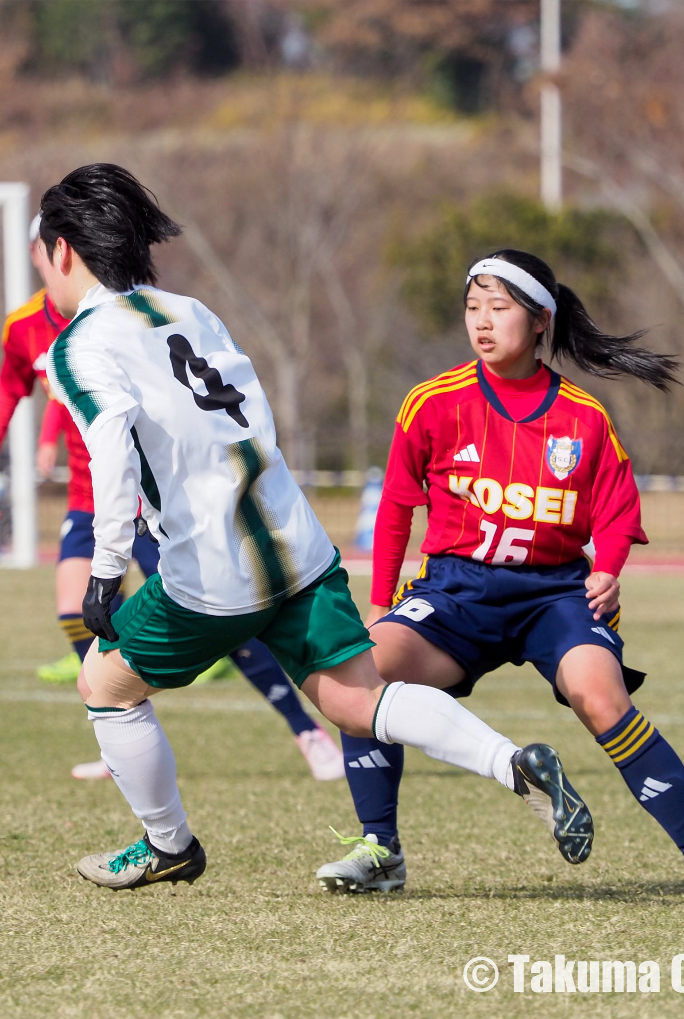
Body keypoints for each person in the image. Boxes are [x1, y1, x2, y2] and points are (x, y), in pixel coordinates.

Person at [40, 164, 594, 890]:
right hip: (295, 540)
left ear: (62, 253)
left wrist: (108, 567)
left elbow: (109, 445)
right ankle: (512, 761)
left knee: (104, 683)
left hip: (211, 570)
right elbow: (249, 403)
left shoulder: (77, 345)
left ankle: (169, 844)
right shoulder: (193, 311)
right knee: (358, 702)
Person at [317, 249, 684, 900]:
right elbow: (396, 509)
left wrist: (608, 568)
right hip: (455, 592)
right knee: (362, 672)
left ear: (541, 319)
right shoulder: (433, 403)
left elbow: (618, 509)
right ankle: (382, 850)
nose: (482, 322)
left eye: (499, 307)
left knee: (602, 699)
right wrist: (379, 604)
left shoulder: (584, 417)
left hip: (554, 595)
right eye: (472, 307)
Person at [0, 215, 346, 782]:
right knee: (75, 609)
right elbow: (14, 387)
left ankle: (307, 732)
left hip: (150, 503)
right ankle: (118, 725)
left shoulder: (118, 316)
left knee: (228, 622)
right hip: (87, 497)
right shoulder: (26, 325)